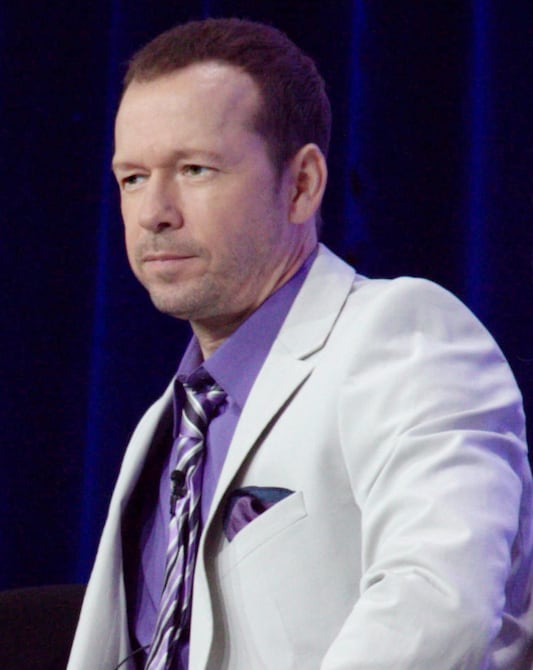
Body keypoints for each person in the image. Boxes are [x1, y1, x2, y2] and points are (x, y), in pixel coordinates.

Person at [67, 17, 533, 670]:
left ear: (302, 184)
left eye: (194, 169)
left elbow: (435, 604)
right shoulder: (166, 423)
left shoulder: (401, 335)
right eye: (133, 178)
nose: (154, 213)